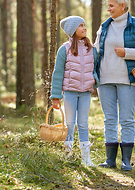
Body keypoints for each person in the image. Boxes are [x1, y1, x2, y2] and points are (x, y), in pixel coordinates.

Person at [94, 0, 135, 171]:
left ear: (123, 6)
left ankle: (126, 161)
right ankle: (110, 160)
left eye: (111, 6)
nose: (108, 9)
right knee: (109, 119)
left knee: (126, 119)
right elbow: (96, 51)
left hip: (129, 79)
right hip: (105, 79)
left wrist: (126, 52)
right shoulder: (104, 26)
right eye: (108, 6)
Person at [50, 16, 99, 167]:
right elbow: (58, 73)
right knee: (70, 123)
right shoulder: (64, 49)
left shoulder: (92, 49)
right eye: (81, 26)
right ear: (73, 30)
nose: (84, 28)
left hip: (85, 93)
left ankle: (86, 158)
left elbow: (95, 68)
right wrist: (56, 96)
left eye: (85, 25)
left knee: (83, 124)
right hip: (70, 93)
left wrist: (94, 79)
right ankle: (68, 155)